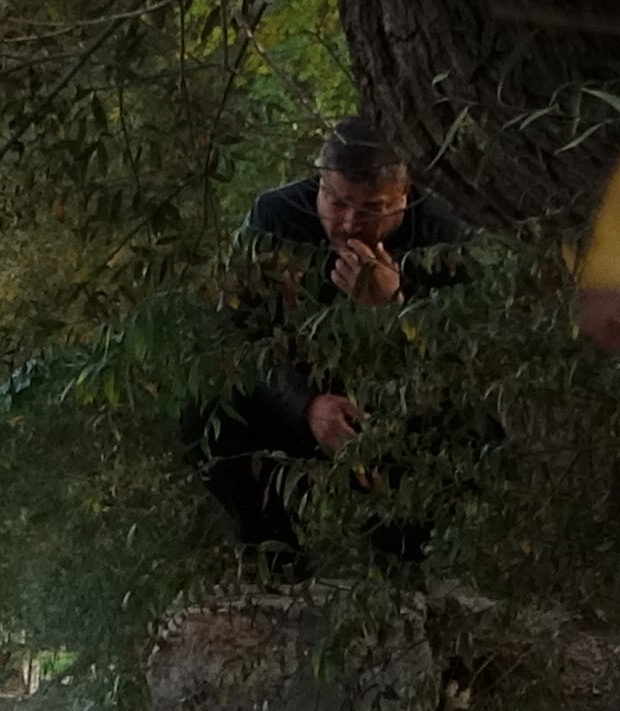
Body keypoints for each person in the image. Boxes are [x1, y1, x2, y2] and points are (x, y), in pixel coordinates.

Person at [199, 117, 472, 560]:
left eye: (370, 209)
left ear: (403, 198)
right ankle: (274, 559)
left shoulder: (440, 234)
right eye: (336, 201)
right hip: (301, 403)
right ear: (320, 182)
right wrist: (305, 404)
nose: (348, 223)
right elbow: (234, 337)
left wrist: (396, 307)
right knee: (208, 409)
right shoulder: (276, 217)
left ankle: (403, 566)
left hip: (395, 416)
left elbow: (462, 362)